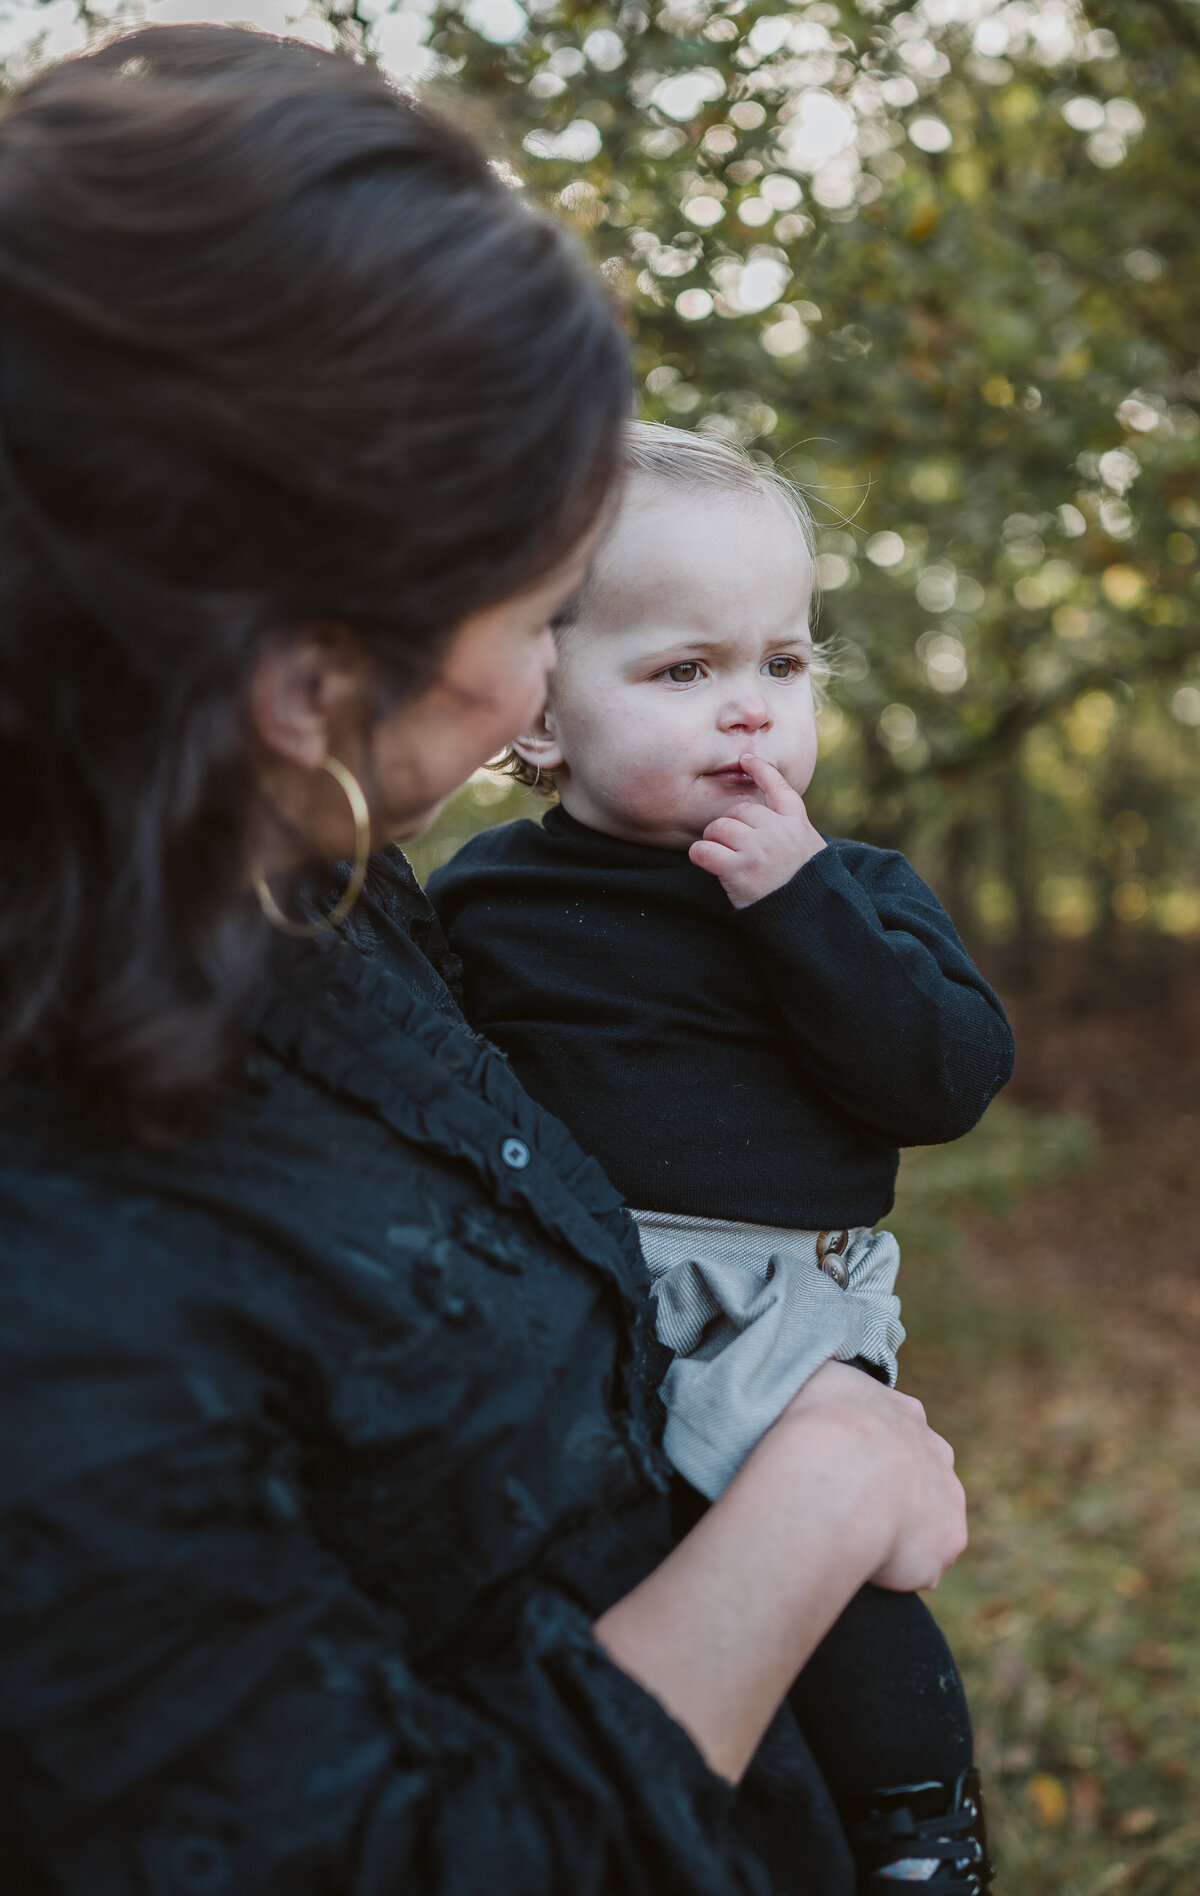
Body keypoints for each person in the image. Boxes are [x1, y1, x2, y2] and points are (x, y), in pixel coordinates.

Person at [0, 30, 968, 1895]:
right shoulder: (55, 1290)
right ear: (302, 682)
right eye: (541, 615)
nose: (551, 677)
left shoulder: (319, 898)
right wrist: (816, 1503)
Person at [430, 423, 1014, 1889]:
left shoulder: (852, 892)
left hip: (775, 1304)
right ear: (540, 718)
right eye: (684, 672)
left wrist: (797, 907)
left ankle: (918, 1829)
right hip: (580, 1296)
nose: (751, 713)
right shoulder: (482, 897)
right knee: (632, 1571)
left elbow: (942, 1081)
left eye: (785, 664)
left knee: (835, 1582)